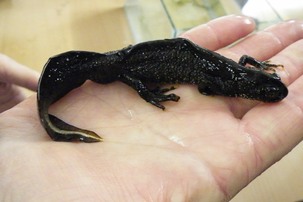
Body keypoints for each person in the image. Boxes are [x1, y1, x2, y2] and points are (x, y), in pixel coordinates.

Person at [0, 15, 302, 201]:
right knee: (122, 71)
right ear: (250, 85)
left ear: (254, 75)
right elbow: (209, 85)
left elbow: (229, 70)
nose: (265, 86)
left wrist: (258, 71)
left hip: (137, 58)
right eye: (264, 89)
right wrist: (150, 95)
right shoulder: (231, 83)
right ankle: (55, 120)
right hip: (129, 65)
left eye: (264, 82)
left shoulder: (238, 77)